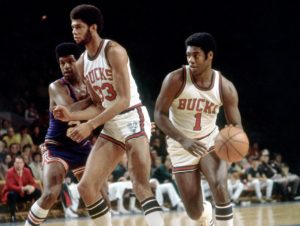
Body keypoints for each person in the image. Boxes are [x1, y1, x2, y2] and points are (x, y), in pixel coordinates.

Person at [53, 4, 164, 226]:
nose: (73, 31)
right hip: (111, 124)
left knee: (140, 185)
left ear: (92, 28)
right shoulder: (83, 61)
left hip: (132, 117)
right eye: (72, 27)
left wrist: (90, 124)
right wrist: (71, 112)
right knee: (86, 187)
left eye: (78, 27)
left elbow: (122, 99)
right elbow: (97, 103)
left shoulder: (114, 51)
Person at [154, 32, 243, 226]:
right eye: (188, 55)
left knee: (220, 187)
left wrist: (236, 140)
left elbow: (236, 125)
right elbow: (159, 115)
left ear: (209, 56)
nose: (191, 60)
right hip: (181, 146)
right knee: (194, 213)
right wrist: (183, 140)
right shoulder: (175, 79)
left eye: (196, 55)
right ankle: (205, 215)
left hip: (209, 141)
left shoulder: (225, 87)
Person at [24, 42, 108, 226]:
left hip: (82, 146)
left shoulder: (90, 83)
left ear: (80, 61)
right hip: (57, 146)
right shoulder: (56, 86)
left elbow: (105, 108)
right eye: (62, 63)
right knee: (50, 193)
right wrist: (97, 98)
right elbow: (68, 110)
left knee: (101, 194)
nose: (66, 66)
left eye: (70, 61)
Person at [1, 156, 41, 222]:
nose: (18, 165)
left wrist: (32, 187)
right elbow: (10, 186)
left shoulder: (27, 171)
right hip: (14, 194)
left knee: (37, 191)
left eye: (20, 163)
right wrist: (23, 188)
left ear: (23, 163)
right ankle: (13, 216)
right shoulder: (9, 172)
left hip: (24, 194)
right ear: (14, 163)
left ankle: (37, 214)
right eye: (17, 163)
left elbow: (33, 183)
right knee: (12, 194)